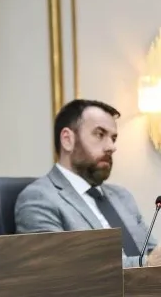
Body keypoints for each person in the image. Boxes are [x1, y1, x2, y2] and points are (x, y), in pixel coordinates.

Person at [15, 99, 159, 268]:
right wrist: (145, 263)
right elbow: (59, 269)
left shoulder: (122, 196)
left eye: (113, 138)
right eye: (100, 134)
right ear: (67, 140)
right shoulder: (39, 198)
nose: (112, 147)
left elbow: (151, 252)